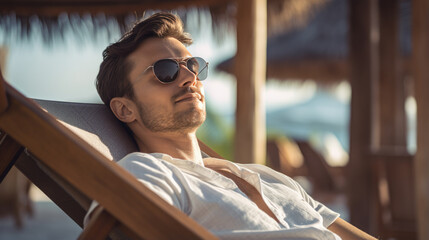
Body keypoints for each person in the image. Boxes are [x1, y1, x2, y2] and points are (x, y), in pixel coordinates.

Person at [86, 12, 376, 240]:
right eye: (166, 71)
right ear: (125, 109)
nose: (190, 78)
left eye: (193, 65)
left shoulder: (264, 175)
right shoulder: (150, 173)